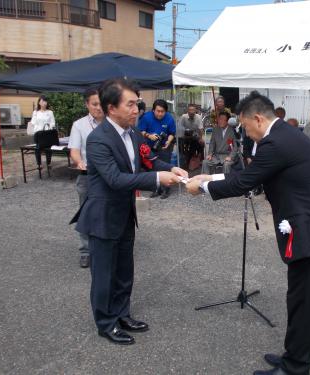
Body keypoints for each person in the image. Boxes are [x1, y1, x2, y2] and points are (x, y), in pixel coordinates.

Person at [187, 91, 310, 375]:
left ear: (258, 119)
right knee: (298, 298)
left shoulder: (275, 142)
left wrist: (201, 187)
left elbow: (244, 183)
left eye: (247, 129)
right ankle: (293, 356)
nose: (248, 135)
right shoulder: (285, 135)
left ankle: (295, 368)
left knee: (305, 303)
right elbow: (251, 176)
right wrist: (208, 177)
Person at [70, 78, 186, 346]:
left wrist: (171, 168)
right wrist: (157, 179)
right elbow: (115, 179)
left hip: (124, 214)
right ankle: (106, 322)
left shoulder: (132, 133)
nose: (137, 109)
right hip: (102, 217)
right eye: (131, 104)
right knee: (104, 275)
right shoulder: (98, 139)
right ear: (112, 108)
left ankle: (122, 314)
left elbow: (149, 159)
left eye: (137, 103)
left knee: (124, 270)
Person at [68, 88, 104, 268]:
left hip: (108, 176)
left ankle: (105, 248)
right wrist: (79, 162)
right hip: (87, 175)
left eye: (100, 104)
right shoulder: (79, 125)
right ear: (87, 104)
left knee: (107, 211)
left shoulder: (113, 123)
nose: (98, 108)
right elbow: (74, 150)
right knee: (86, 212)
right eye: (94, 104)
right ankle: (85, 250)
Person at [137, 99, 177, 199]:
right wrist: (149, 135)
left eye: (162, 111)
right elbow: (139, 131)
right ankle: (156, 189)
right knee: (152, 168)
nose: (160, 114)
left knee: (166, 167)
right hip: (149, 147)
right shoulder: (146, 117)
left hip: (164, 147)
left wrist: (168, 141)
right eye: (157, 111)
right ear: (153, 110)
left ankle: (166, 190)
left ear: (166, 111)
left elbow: (172, 133)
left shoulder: (169, 118)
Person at [29, 95, 56, 167]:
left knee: (48, 148)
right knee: (38, 148)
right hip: (38, 134)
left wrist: (49, 127)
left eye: (45, 101)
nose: (44, 102)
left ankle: (49, 163)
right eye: (42, 101)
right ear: (39, 102)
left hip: (47, 133)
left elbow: (53, 123)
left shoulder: (50, 112)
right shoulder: (35, 112)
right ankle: (39, 164)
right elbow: (33, 123)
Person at [178, 104, 204, 169]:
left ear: (195, 111)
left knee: (200, 143)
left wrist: (201, 138)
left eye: (193, 110)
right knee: (179, 142)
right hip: (185, 135)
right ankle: (183, 159)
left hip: (195, 135)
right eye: (190, 110)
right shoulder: (183, 117)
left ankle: (200, 159)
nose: (191, 111)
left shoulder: (198, 117)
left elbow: (200, 129)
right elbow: (180, 127)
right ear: (187, 110)